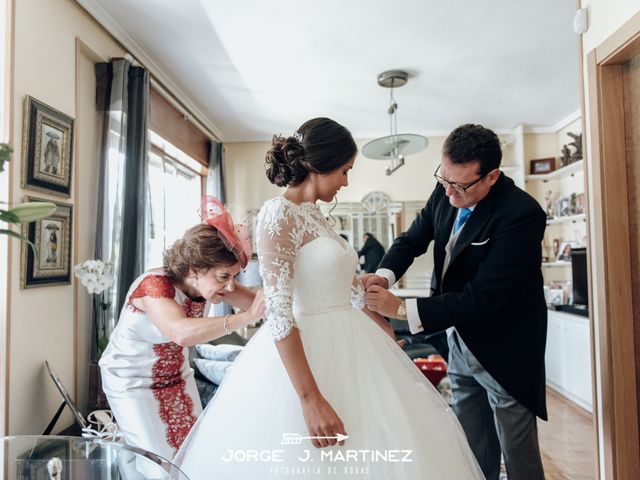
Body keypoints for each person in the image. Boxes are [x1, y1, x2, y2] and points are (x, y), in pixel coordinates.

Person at [176, 118, 484, 479]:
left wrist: (383, 329)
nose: (345, 181)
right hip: (309, 354)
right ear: (318, 165)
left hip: (354, 343)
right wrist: (310, 399)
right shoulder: (278, 214)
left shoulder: (315, 215)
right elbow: (278, 312)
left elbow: (343, 289)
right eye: (344, 171)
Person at [363, 124, 547, 480]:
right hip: (458, 339)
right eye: (443, 178)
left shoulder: (521, 215)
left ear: (492, 176)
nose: (448, 191)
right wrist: (383, 276)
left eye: (459, 185)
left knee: (518, 453)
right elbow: (411, 240)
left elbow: (484, 296)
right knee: (471, 445)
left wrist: (400, 309)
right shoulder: (446, 188)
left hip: (505, 347)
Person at [99, 196, 265, 459]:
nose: (231, 286)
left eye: (234, 277)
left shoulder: (210, 285)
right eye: (224, 276)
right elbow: (180, 332)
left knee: (192, 453)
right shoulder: (154, 286)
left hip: (177, 377)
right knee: (158, 462)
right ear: (196, 268)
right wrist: (245, 318)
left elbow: (257, 301)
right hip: (131, 382)